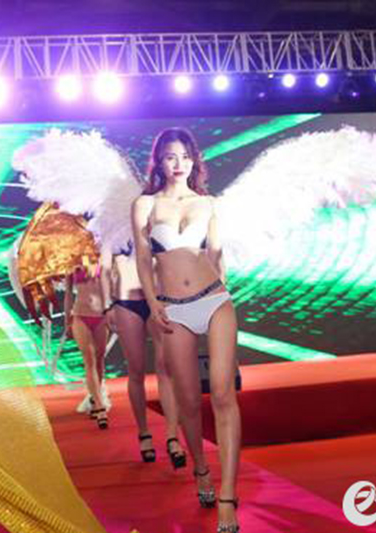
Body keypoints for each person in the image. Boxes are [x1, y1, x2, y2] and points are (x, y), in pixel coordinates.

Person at [131, 128, 240, 533]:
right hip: (172, 309)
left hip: (214, 299)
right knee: (190, 403)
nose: (178, 164)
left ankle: (227, 498)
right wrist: (153, 302)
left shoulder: (209, 204)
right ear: (159, 162)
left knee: (224, 395)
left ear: (194, 161)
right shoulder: (145, 205)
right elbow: (143, 260)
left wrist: (224, 286)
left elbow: (217, 253)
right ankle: (201, 469)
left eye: (184, 156)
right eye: (170, 156)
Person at [101, 245, 186, 466]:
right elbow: (105, 267)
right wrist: (107, 305)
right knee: (136, 369)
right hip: (126, 301)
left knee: (165, 367)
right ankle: (144, 433)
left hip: (158, 298)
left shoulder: (152, 227)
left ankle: (172, 436)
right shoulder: (112, 230)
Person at [64, 265, 109, 429]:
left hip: (101, 315)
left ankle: (95, 397)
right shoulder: (70, 262)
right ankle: (100, 406)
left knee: (99, 359)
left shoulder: (102, 258)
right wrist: (66, 320)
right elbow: (68, 294)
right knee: (89, 360)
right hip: (80, 315)